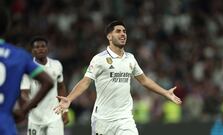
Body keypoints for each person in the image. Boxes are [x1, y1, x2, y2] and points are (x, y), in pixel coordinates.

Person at [54, 20, 182, 135]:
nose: (123, 34)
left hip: (125, 118)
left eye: (124, 31)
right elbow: (85, 82)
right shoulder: (99, 59)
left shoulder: (130, 58)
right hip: (103, 119)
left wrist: (165, 92)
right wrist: (69, 98)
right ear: (109, 36)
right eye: (118, 31)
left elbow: (144, 80)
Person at [0, 7, 54, 135]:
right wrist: (24, 110)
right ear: (7, 28)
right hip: (5, 125)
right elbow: (48, 82)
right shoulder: (19, 56)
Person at [20, 36, 69, 135]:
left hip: (55, 116)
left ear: (47, 48)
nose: (40, 49)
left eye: (43, 46)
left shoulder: (57, 65)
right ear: (32, 50)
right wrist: (29, 102)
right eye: (37, 47)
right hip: (35, 118)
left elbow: (61, 87)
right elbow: (23, 93)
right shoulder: (28, 69)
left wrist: (64, 110)